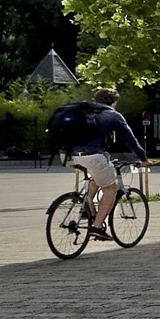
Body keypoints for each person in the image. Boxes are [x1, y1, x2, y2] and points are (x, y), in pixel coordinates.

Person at [49, 91, 146, 236]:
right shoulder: (113, 115)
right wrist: (144, 159)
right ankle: (97, 226)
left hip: (67, 155)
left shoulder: (83, 110)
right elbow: (131, 140)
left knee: (97, 175)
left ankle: (86, 207)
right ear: (114, 102)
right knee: (110, 189)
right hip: (92, 156)